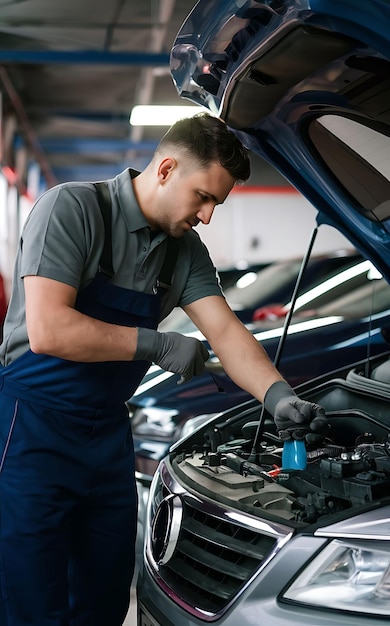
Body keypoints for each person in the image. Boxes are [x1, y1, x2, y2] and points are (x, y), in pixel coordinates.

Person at [0, 113, 328, 625]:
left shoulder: (184, 252)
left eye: (217, 203)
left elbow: (226, 333)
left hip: (106, 433)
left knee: (106, 590)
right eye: (203, 196)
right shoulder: (74, 208)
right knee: (30, 592)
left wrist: (278, 395)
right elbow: (49, 330)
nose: (207, 215)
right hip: (33, 428)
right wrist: (154, 344)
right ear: (166, 169)